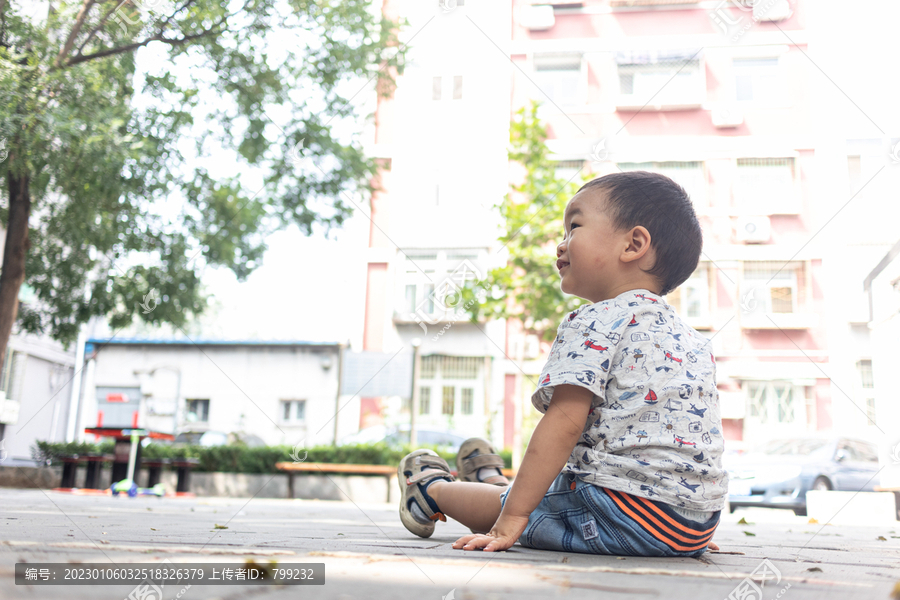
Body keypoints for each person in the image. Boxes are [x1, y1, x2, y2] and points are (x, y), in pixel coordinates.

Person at [397, 171, 728, 556]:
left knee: (516, 506)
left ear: (633, 244)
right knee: (547, 493)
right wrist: (678, 519)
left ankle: (429, 488)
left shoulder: (593, 321)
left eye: (574, 226)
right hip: (693, 524)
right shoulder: (692, 339)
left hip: (620, 514)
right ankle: (489, 476)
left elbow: (564, 423)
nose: (561, 243)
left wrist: (510, 522)